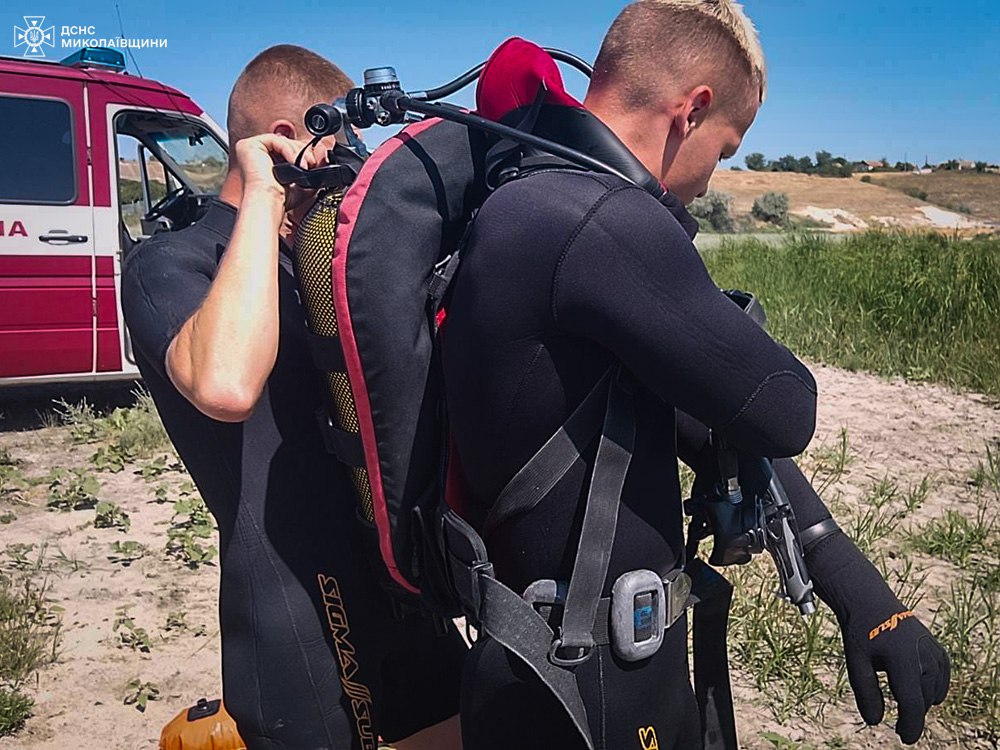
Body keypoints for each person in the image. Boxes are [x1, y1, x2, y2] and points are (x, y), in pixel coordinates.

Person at [442, 3, 949, 749]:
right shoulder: (597, 218)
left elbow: (705, 418)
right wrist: (734, 319)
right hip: (591, 687)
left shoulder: (529, 202)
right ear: (693, 109)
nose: (711, 182)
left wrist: (856, 588)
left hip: (549, 664)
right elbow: (783, 408)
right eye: (726, 147)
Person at [121, 45, 467, 750]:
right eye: (334, 160)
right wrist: (267, 189)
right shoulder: (174, 263)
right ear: (286, 140)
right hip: (305, 629)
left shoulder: (318, 261)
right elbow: (224, 384)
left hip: (402, 593)